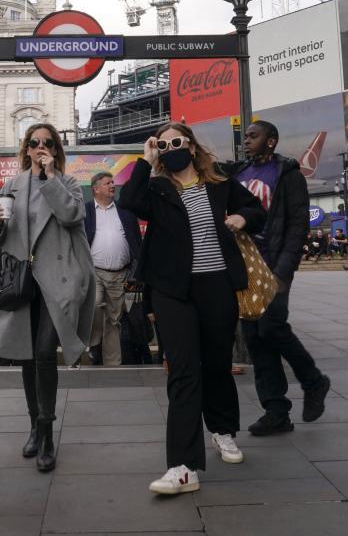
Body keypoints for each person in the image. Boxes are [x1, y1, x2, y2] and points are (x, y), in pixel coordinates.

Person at [120, 122, 265, 495]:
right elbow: (129, 202)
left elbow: (256, 208)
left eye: (175, 141)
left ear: (190, 144)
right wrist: (146, 159)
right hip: (172, 290)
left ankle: (222, 431)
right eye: (163, 144)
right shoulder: (157, 188)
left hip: (216, 285)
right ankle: (183, 467)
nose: (170, 148)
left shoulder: (219, 184)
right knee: (183, 371)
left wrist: (242, 217)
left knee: (216, 365)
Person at [0, 123, 95, 473]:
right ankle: (34, 424)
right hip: (23, 280)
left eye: (47, 143)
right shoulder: (12, 185)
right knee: (27, 354)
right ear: (26, 149)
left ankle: (47, 433)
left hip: (58, 280)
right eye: (34, 143)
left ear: (56, 150)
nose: (40, 148)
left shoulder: (67, 184)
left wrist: (50, 177)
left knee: (46, 350)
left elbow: (71, 216)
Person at [231, 121, 330, 437]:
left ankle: (314, 381)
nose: (247, 140)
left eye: (253, 136)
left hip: (273, 266)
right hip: (245, 267)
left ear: (270, 141)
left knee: (272, 327)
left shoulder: (288, 174)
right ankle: (276, 411)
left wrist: (283, 272)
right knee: (255, 339)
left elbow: (297, 226)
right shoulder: (239, 173)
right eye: (246, 135)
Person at [84, 171, 142, 366]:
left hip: (120, 275)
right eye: (108, 183)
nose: (112, 186)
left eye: (113, 182)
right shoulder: (85, 211)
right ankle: (93, 342)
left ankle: (112, 365)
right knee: (94, 306)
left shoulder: (125, 211)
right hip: (94, 272)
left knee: (113, 320)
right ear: (96, 189)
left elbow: (135, 240)